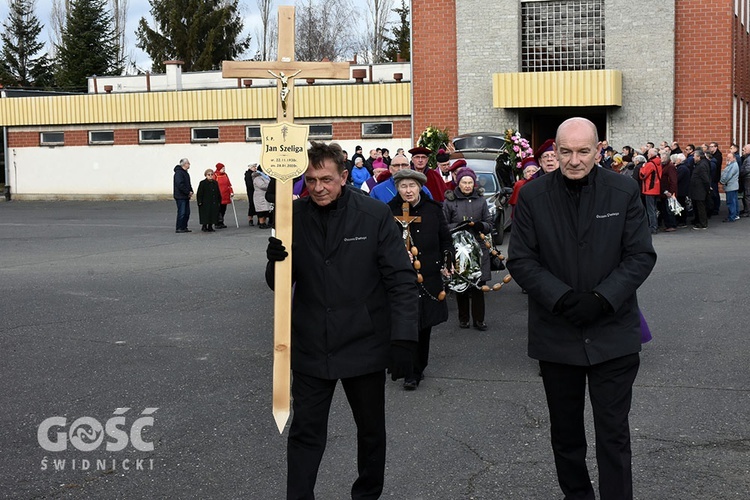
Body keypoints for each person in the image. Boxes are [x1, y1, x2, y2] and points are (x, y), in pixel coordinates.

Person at [507, 117, 656, 500]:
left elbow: (640, 255)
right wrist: (562, 298)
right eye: (566, 151)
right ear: (554, 151)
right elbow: (521, 260)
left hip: (614, 336)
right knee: (566, 436)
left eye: (583, 151)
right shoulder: (533, 196)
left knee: (613, 435)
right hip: (556, 336)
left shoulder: (623, 191)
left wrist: (602, 298)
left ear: (598, 150)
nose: (574, 160)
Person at [264, 141, 418, 500]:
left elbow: (401, 279)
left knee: (370, 431)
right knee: (305, 432)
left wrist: (405, 339)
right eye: (312, 179)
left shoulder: (373, 214)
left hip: (363, 342)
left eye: (327, 180)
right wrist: (276, 261)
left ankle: (366, 494)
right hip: (311, 344)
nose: (319, 187)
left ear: (344, 177)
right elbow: (278, 285)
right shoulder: (292, 216)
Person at [387, 169, 453, 390]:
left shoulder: (433, 210)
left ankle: (418, 368)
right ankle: (407, 370)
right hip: (399, 277)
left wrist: (447, 261)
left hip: (429, 276)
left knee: (423, 325)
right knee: (403, 322)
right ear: (397, 188)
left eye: (412, 186)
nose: (408, 190)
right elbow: (382, 242)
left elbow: (445, 239)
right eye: (403, 186)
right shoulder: (389, 210)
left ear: (420, 187)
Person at [443, 167, 492, 331]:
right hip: (459, 246)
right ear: (459, 183)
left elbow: (489, 223)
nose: (467, 185)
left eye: (470, 182)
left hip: (478, 245)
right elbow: (443, 225)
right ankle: (463, 318)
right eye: (464, 182)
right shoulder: (450, 201)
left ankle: (479, 319)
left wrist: (481, 225)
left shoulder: (481, 200)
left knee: (478, 283)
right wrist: (458, 226)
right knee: (462, 282)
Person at [690, 149, 711, 230]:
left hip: (700, 190)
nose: (693, 158)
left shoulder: (701, 165)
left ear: (699, 157)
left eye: (694, 156)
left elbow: (705, 179)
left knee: (700, 207)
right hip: (698, 190)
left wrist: (707, 189)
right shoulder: (702, 163)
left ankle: (703, 224)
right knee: (698, 207)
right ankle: (698, 221)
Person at [173, 158, 193, 233]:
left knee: (187, 212)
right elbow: (180, 184)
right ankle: (179, 227)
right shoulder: (179, 173)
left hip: (185, 195)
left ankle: (184, 226)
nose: (189, 164)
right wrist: (187, 192)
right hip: (180, 196)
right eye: (188, 163)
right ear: (184, 164)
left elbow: (188, 184)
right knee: (182, 212)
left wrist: (191, 191)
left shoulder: (185, 172)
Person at [719, 152, 740, 222]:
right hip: (733, 186)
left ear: (734, 158)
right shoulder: (731, 164)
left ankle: (732, 217)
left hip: (731, 186)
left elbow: (728, 175)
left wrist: (722, 181)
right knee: (734, 202)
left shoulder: (733, 165)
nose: (728, 158)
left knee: (731, 202)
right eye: (727, 157)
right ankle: (736, 214)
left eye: (730, 157)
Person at [214, 163, 234, 229]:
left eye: (224, 168)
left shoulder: (225, 175)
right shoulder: (215, 175)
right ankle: (217, 222)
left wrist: (231, 192)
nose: (224, 170)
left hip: (225, 195)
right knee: (218, 209)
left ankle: (221, 221)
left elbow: (229, 184)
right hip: (218, 195)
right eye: (222, 168)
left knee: (223, 209)